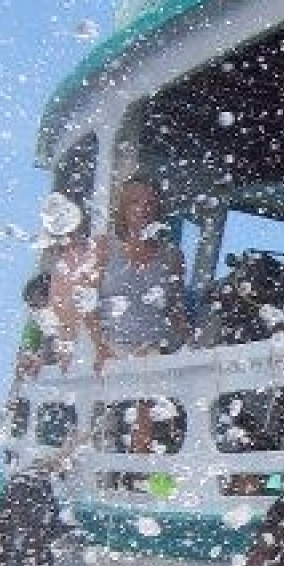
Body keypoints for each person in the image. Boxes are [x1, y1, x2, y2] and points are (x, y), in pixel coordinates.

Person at [88, 176, 189, 458]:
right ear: (121, 207)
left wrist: (193, 341)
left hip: (157, 345)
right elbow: (86, 303)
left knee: (154, 381)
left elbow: (175, 308)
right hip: (116, 345)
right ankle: (133, 468)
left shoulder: (172, 256)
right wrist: (99, 347)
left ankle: (146, 470)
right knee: (137, 391)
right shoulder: (103, 247)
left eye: (150, 203)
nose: (142, 209)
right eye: (134, 202)